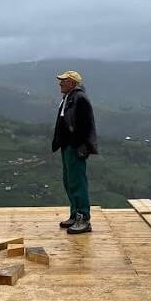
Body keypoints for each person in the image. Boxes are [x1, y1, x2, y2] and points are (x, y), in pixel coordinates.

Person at [51, 70, 98, 234]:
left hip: (76, 146)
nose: (60, 83)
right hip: (67, 145)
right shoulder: (69, 97)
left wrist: (83, 146)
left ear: (72, 82)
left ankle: (83, 218)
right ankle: (74, 214)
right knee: (69, 181)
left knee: (77, 182)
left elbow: (86, 125)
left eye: (63, 80)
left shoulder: (80, 99)